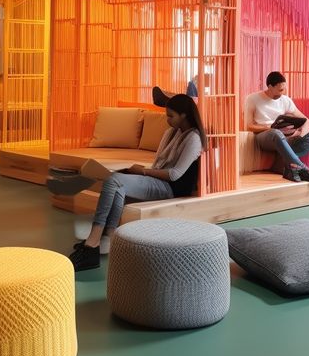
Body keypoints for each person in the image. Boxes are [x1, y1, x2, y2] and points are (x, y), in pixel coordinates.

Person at [48, 94, 206, 272]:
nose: (167, 120)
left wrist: (143, 171)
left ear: (184, 115)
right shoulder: (173, 133)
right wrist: (139, 170)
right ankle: (111, 239)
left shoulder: (193, 138)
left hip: (170, 188)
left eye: (171, 116)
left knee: (113, 180)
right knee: (116, 184)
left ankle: (92, 243)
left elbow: (175, 174)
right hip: (156, 180)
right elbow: (160, 164)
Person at [244, 71, 309, 183]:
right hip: (264, 136)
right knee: (276, 133)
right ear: (270, 87)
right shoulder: (252, 99)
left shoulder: (285, 100)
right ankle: (300, 167)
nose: (282, 92)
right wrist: (270, 128)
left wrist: (300, 133)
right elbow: (249, 126)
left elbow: (306, 120)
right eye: (280, 90)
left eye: (284, 89)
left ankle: (284, 165)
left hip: (283, 135)